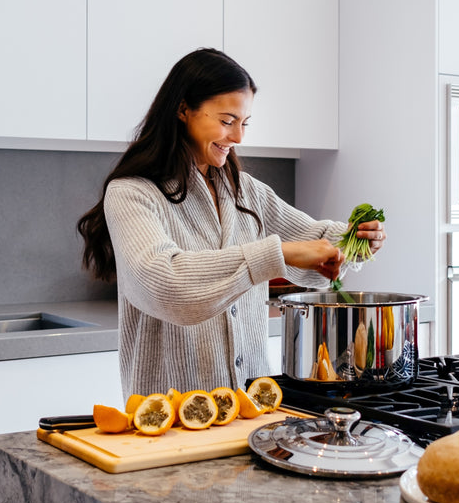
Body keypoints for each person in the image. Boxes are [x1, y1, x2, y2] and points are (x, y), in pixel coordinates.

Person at [77, 48, 386, 397]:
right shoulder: (132, 194)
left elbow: (313, 241)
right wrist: (276, 254)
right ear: (183, 110)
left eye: (244, 123)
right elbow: (165, 284)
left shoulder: (246, 191)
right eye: (227, 121)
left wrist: (354, 240)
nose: (238, 137)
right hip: (172, 416)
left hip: (255, 407)